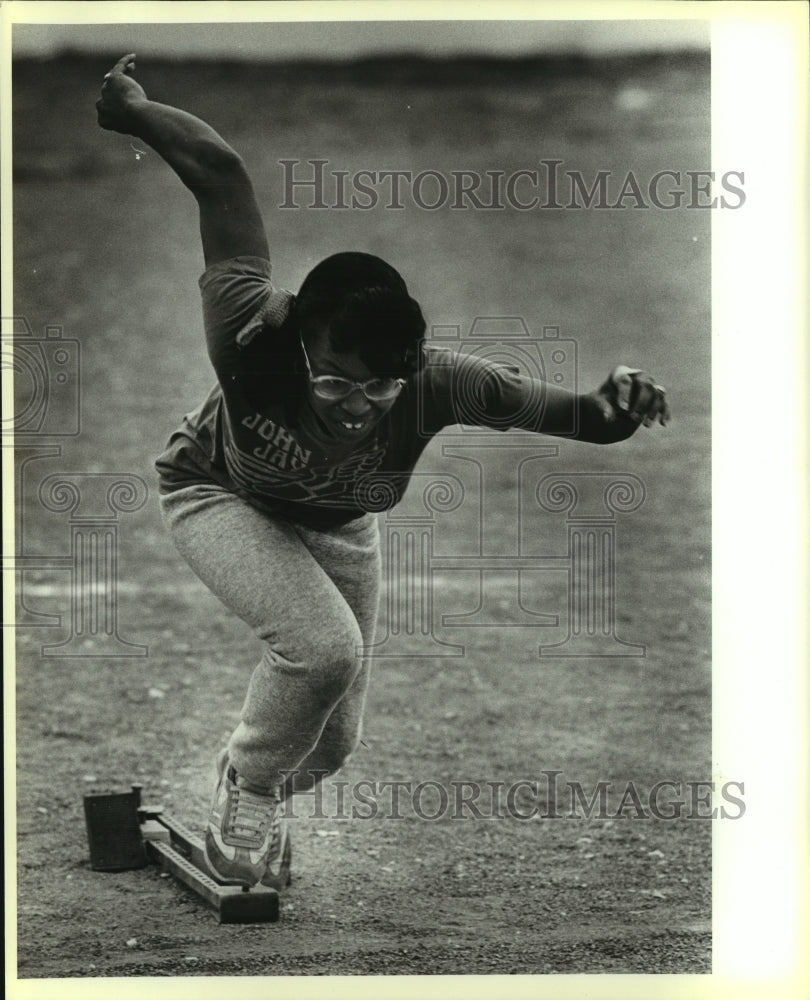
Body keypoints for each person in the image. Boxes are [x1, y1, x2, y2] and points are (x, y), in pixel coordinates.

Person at [96, 54, 671, 892]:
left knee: (332, 742)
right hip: (217, 491)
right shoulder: (251, 326)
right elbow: (220, 174)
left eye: (378, 386)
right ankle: (249, 792)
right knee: (323, 651)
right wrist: (134, 108)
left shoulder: (443, 381)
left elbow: (581, 417)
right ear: (301, 343)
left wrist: (620, 406)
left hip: (340, 522)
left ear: (409, 366)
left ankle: (253, 786)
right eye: (333, 379)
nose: (356, 405)